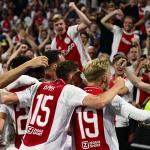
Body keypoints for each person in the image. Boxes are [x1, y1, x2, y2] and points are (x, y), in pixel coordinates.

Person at [0, 60, 125, 150]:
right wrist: (118, 85)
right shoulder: (69, 90)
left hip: (24, 146)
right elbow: (99, 102)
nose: (81, 79)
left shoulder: (38, 86)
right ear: (71, 77)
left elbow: (5, 98)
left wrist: (27, 65)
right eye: (78, 75)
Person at [51, 2, 91, 71]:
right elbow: (56, 62)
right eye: (56, 25)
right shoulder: (54, 43)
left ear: (65, 25)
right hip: (71, 74)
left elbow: (87, 23)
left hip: (85, 68)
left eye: (61, 24)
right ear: (54, 28)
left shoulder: (71, 30)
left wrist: (75, 8)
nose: (59, 26)